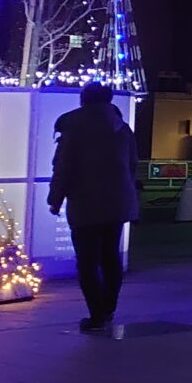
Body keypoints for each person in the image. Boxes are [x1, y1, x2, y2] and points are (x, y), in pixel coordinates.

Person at [47, 84, 139, 332]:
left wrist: (55, 198)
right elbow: (132, 164)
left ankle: (96, 313)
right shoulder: (122, 128)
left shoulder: (73, 127)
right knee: (110, 256)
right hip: (117, 202)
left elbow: (64, 167)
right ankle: (108, 309)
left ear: (83, 99)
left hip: (85, 201)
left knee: (87, 260)